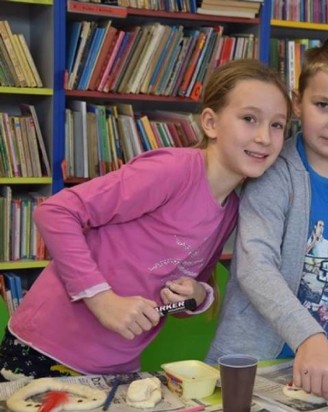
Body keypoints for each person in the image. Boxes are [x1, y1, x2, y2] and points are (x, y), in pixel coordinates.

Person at [0, 59, 291, 380]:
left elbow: (195, 281)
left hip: (118, 365)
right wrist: (102, 300)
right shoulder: (173, 170)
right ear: (210, 123)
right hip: (45, 348)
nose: (264, 137)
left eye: (277, 125)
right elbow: (55, 211)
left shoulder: (234, 208)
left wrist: (195, 295)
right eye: (249, 119)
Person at [207, 40, 328, 401]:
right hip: (257, 361)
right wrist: (308, 336)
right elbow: (255, 267)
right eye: (323, 105)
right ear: (297, 103)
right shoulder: (273, 173)